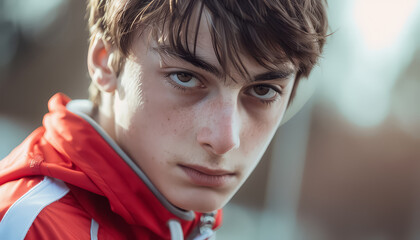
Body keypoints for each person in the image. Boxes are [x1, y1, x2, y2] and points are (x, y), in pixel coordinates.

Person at [0, 0, 329, 239]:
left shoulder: (185, 224)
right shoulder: (25, 227)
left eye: (263, 90)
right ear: (105, 62)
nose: (225, 138)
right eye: (186, 78)